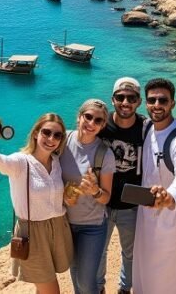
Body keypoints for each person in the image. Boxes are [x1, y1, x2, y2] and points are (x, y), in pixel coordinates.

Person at [0, 112, 72, 293]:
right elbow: (1, 163)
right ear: (36, 133)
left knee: (44, 286)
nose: (51, 138)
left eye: (57, 135)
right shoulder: (21, 162)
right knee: (51, 289)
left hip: (59, 228)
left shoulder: (57, 161)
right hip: (33, 233)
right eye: (46, 132)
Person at [132, 78, 176, 293]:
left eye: (163, 100)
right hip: (146, 216)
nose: (157, 105)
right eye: (152, 100)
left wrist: (169, 197)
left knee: (169, 281)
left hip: (172, 221)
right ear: (146, 103)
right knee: (144, 272)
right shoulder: (148, 126)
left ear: (172, 104)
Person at [96, 77, 145, 294]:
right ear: (112, 99)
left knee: (131, 252)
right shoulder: (100, 125)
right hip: (101, 203)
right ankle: (98, 288)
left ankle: (125, 289)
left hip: (132, 206)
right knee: (99, 251)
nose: (125, 102)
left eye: (131, 98)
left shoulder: (146, 127)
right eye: (120, 97)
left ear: (139, 101)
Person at [60, 99, 115, 294]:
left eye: (98, 121)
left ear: (102, 126)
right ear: (79, 117)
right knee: (75, 276)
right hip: (64, 223)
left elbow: (106, 197)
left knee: (86, 282)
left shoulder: (104, 154)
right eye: (88, 117)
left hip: (92, 226)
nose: (91, 123)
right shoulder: (62, 140)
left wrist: (95, 191)